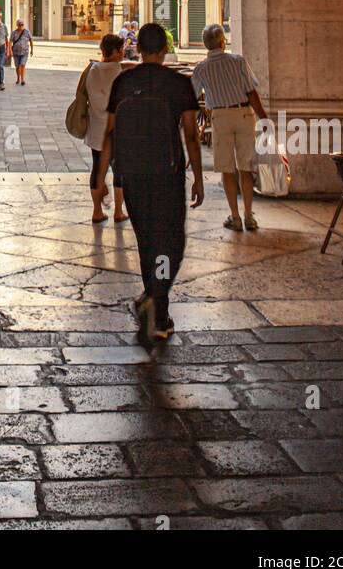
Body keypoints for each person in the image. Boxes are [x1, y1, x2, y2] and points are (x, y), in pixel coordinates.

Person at [96, 22, 204, 348]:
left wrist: (101, 179)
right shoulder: (179, 84)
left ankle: (155, 303)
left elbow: (111, 134)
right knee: (170, 242)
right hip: (167, 176)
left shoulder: (123, 83)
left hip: (133, 176)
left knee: (146, 241)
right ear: (165, 49)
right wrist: (198, 175)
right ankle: (157, 303)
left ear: (138, 49)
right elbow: (190, 134)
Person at [191, 24, 267, 232]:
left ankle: (234, 216)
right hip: (243, 115)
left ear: (207, 45)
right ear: (223, 42)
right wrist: (264, 118)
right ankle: (249, 215)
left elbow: (192, 96)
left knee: (227, 169)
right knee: (246, 168)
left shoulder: (201, 68)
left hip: (220, 117)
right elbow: (252, 92)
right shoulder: (238, 61)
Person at [85, 33, 136, 223]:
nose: (123, 52)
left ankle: (97, 210)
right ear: (114, 51)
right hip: (117, 129)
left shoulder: (93, 69)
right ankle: (118, 211)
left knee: (98, 167)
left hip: (97, 127)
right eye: (121, 49)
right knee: (119, 170)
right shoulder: (119, 72)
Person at [10, 19, 33, 86]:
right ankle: (18, 78)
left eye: (22, 25)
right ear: (17, 25)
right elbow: (10, 41)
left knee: (22, 64)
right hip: (16, 52)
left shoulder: (27, 32)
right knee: (17, 66)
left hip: (24, 52)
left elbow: (31, 40)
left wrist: (32, 50)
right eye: (19, 25)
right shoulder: (14, 33)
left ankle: (22, 79)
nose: (21, 26)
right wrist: (10, 50)